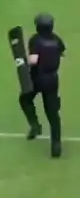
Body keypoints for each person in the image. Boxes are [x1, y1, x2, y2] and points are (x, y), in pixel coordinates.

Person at [20, 12, 66, 158]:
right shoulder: (57, 40)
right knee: (53, 113)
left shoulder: (35, 40)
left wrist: (23, 61)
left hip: (37, 78)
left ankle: (35, 125)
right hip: (53, 80)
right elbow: (62, 52)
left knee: (25, 99)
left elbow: (33, 61)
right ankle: (56, 145)